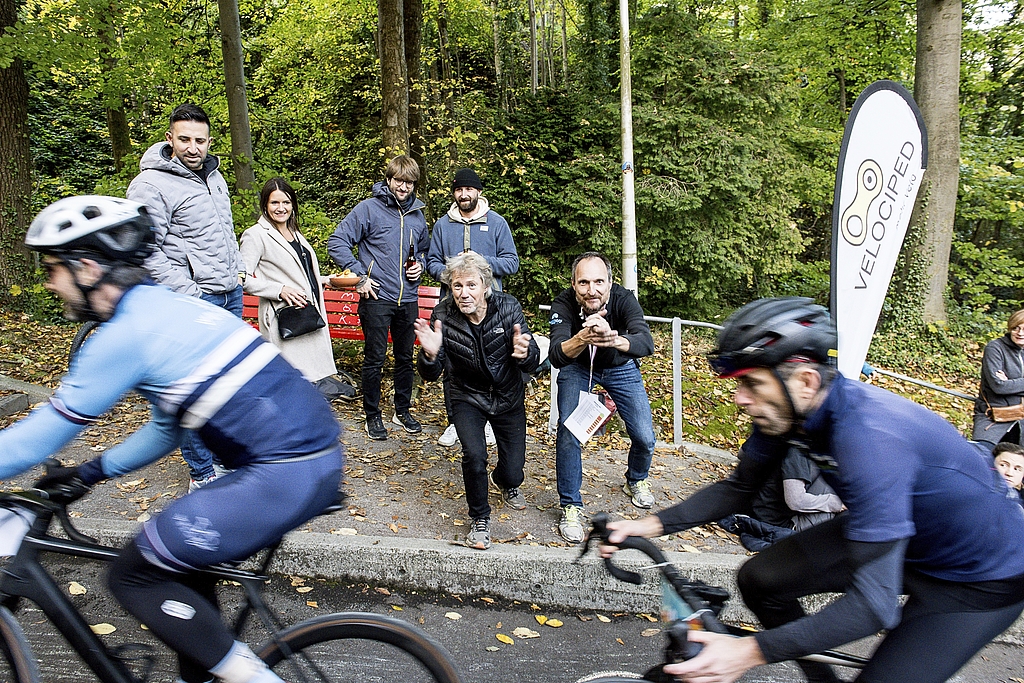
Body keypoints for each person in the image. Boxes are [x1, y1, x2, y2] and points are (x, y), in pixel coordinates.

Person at [0, 195, 343, 683]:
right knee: (179, 564)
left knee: (132, 574)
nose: (50, 282)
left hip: (281, 474)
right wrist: (90, 472)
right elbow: (167, 428)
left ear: (88, 266)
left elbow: (34, 442)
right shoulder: (171, 309)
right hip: (309, 463)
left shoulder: (124, 336)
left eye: (53, 268)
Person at [603, 297, 1024, 683]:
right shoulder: (790, 412)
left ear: (805, 380)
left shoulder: (868, 437)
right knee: (761, 578)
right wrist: (645, 527)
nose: (739, 398)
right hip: (908, 535)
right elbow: (740, 488)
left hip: (979, 580)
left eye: (751, 383)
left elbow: (872, 606)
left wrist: (747, 652)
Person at [127, 103, 244, 490]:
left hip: (230, 293)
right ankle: (203, 474)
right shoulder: (150, 184)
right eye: (185, 139)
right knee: (191, 393)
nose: (194, 148)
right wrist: (188, 290)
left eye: (200, 140)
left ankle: (224, 462)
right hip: (194, 299)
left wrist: (237, 270)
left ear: (210, 141)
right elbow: (144, 249)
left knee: (224, 388)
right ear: (169, 139)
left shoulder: (215, 176)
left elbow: (224, 232)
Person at [414, 252, 539, 549]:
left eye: (471, 285)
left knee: (513, 471)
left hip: (508, 395)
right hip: (466, 395)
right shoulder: (443, 314)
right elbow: (431, 374)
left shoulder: (508, 307)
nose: (464, 293)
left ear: (485, 286)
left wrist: (527, 353)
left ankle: (505, 481)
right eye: (457, 286)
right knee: (474, 455)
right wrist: (430, 355)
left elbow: (530, 358)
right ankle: (480, 519)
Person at [548, 252, 658, 543]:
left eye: (599, 281)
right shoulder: (563, 304)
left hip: (619, 367)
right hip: (577, 367)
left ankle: (636, 478)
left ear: (610, 282)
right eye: (583, 282)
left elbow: (646, 341)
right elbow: (557, 355)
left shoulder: (624, 299)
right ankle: (571, 505)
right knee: (569, 433)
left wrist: (614, 340)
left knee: (645, 436)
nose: (591, 290)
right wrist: (583, 337)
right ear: (574, 284)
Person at [327, 155, 429, 441]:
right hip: (376, 296)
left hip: (407, 298)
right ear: (388, 180)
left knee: (405, 357)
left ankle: (402, 409)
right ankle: (372, 415)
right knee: (374, 359)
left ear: (414, 185)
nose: (403, 187)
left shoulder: (418, 216)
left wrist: (419, 265)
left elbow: (423, 252)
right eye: (398, 180)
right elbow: (337, 242)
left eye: (408, 182)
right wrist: (361, 276)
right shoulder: (368, 209)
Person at [426, 168, 520, 449]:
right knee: (453, 365)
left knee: (491, 362)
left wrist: (480, 263)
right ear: (454, 194)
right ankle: (456, 421)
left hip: (490, 309)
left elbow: (512, 262)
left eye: (469, 189)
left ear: (478, 191)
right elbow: (431, 262)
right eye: (458, 190)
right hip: (453, 307)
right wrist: (452, 274)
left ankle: (490, 420)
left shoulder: (497, 223)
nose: (464, 194)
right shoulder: (443, 225)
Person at [239, 177, 354, 401]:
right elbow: (243, 279)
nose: (281, 208)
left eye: (286, 202)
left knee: (308, 381)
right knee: (287, 382)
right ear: (265, 204)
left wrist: (327, 279)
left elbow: (299, 273)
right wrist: (279, 289)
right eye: (275, 203)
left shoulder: (295, 233)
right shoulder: (256, 234)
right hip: (285, 318)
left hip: (307, 314)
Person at [718, 447, 843, 552]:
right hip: (778, 522)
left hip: (754, 506)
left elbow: (742, 453)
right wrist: (835, 503)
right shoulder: (796, 451)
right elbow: (795, 501)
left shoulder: (775, 435)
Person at [973, 309, 1024, 449]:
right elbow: (999, 386)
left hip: (1021, 421)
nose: (1020, 333)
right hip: (993, 420)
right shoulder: (995, 348)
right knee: (985, 460)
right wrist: (1008, 384)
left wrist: (1011, 383)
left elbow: (1006, 385)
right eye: (1016, 328)